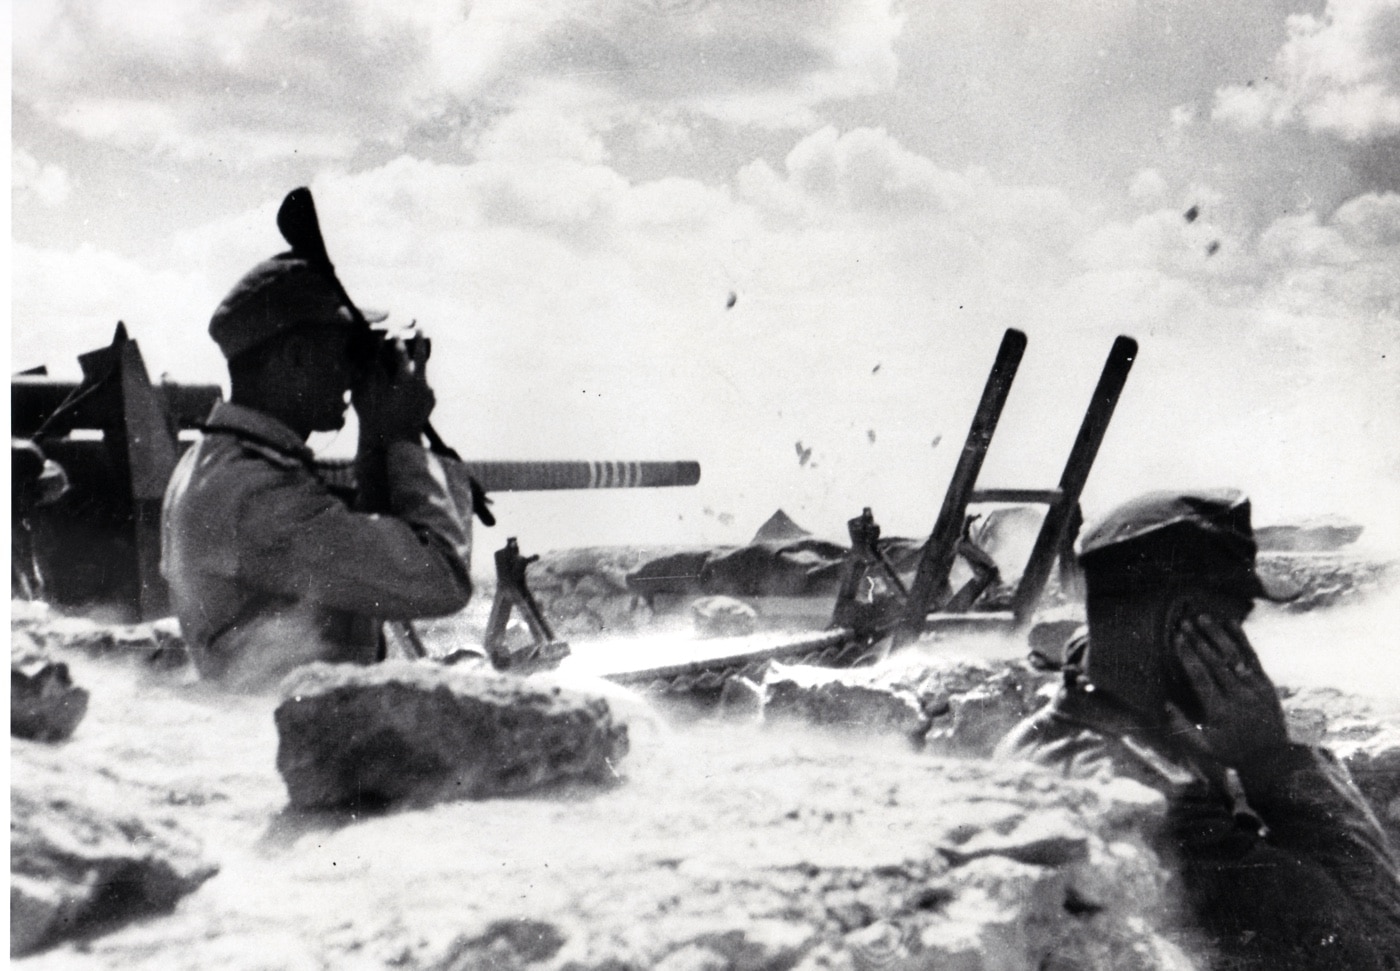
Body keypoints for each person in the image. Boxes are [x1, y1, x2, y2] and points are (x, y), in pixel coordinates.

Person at [996, 489, 1400, 969]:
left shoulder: (1065, 726)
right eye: (1234, 616)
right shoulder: (1155, 803)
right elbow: (1374, 943)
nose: (1242, 638)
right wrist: (1270, 758)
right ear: (1184, 618)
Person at [161, 235, 475, 692]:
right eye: (346, 351)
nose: (355, 372)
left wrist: (378, 437)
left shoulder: (221, 462)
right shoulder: (254, 494)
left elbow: (373, 565)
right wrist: (405, 437)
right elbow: (439, 580)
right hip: (276, 737)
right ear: (294, 357)